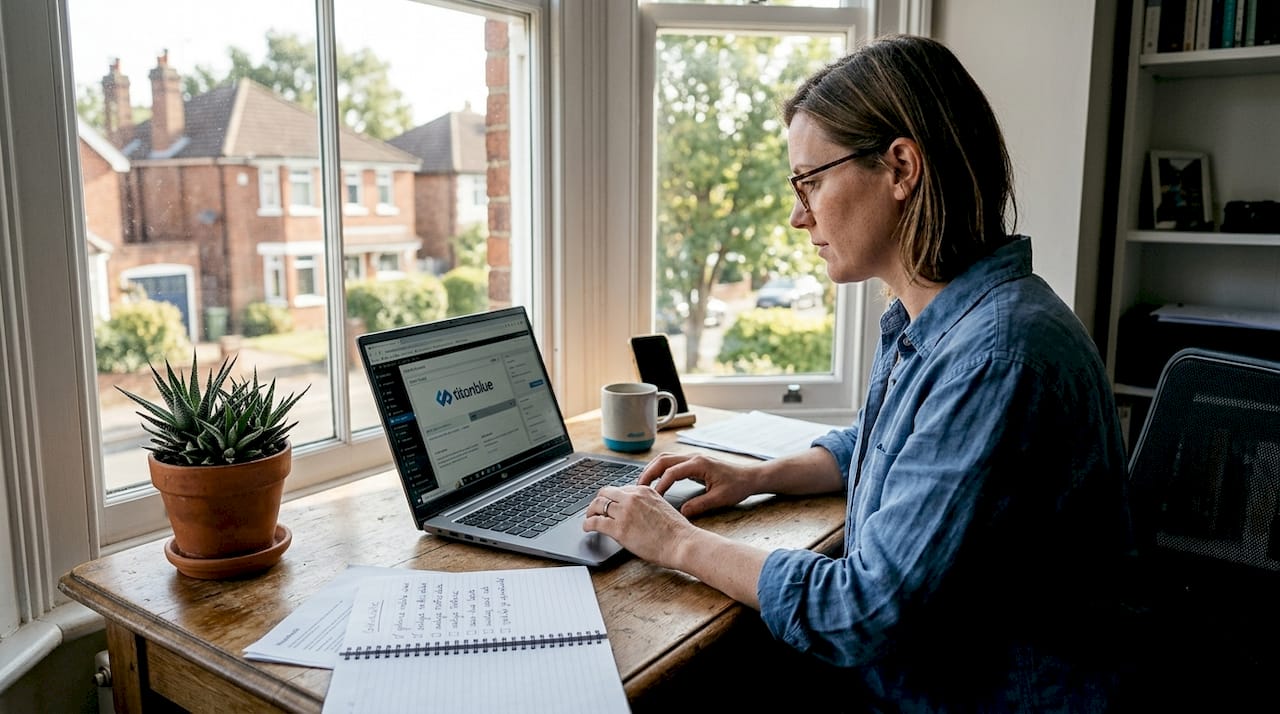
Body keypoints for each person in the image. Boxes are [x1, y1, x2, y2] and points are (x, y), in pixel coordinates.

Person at [584, 34, 1132, 712]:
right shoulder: (942, 318)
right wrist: (756, 477)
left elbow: (860, 611)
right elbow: (883, 443)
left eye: (810, 182)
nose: (797, 215)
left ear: (901, 167)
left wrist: (675, 541)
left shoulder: (996, 357)